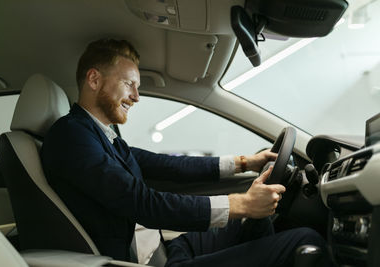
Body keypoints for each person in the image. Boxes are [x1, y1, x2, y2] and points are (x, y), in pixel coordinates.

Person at [41, 38, 330, 266]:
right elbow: (142, 203)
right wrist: (240, 204)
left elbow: (168, 166)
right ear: (94, 80)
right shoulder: (71, 136)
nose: (137, 96)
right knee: (302, 238)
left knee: (254, 224)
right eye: (129, 84)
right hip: (145, 263)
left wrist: (245, 163)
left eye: (137, 87)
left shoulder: (102, 136)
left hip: (167, 249)